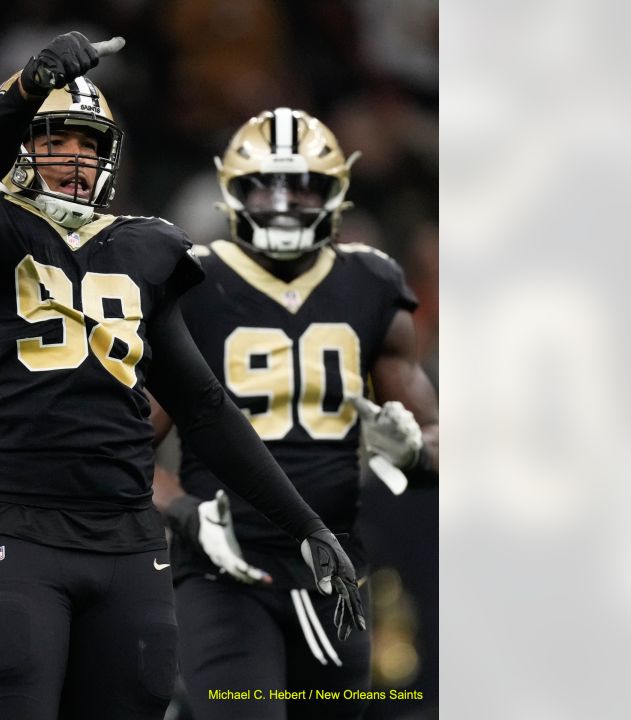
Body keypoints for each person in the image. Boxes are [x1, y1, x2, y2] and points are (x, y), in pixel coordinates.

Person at [0, 32, 363, 720]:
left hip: (128, 543)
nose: (76, 158)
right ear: (14, 141)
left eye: (89, 143)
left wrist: (304, 524)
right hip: (15, 529)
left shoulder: (143, 246)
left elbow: (203, 406)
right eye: (55, 138)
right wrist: (22, 92)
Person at [150, 108, 440, 720]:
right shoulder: (192, 282)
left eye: (302, 184)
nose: (284, 203)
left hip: (333, 580)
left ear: (335, 190)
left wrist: (413, 450)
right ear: (233, 189)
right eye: (267, 185)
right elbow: (123, 448)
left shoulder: (371, 281)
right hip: (224, 574)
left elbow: (433, 438)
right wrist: (184, 512)